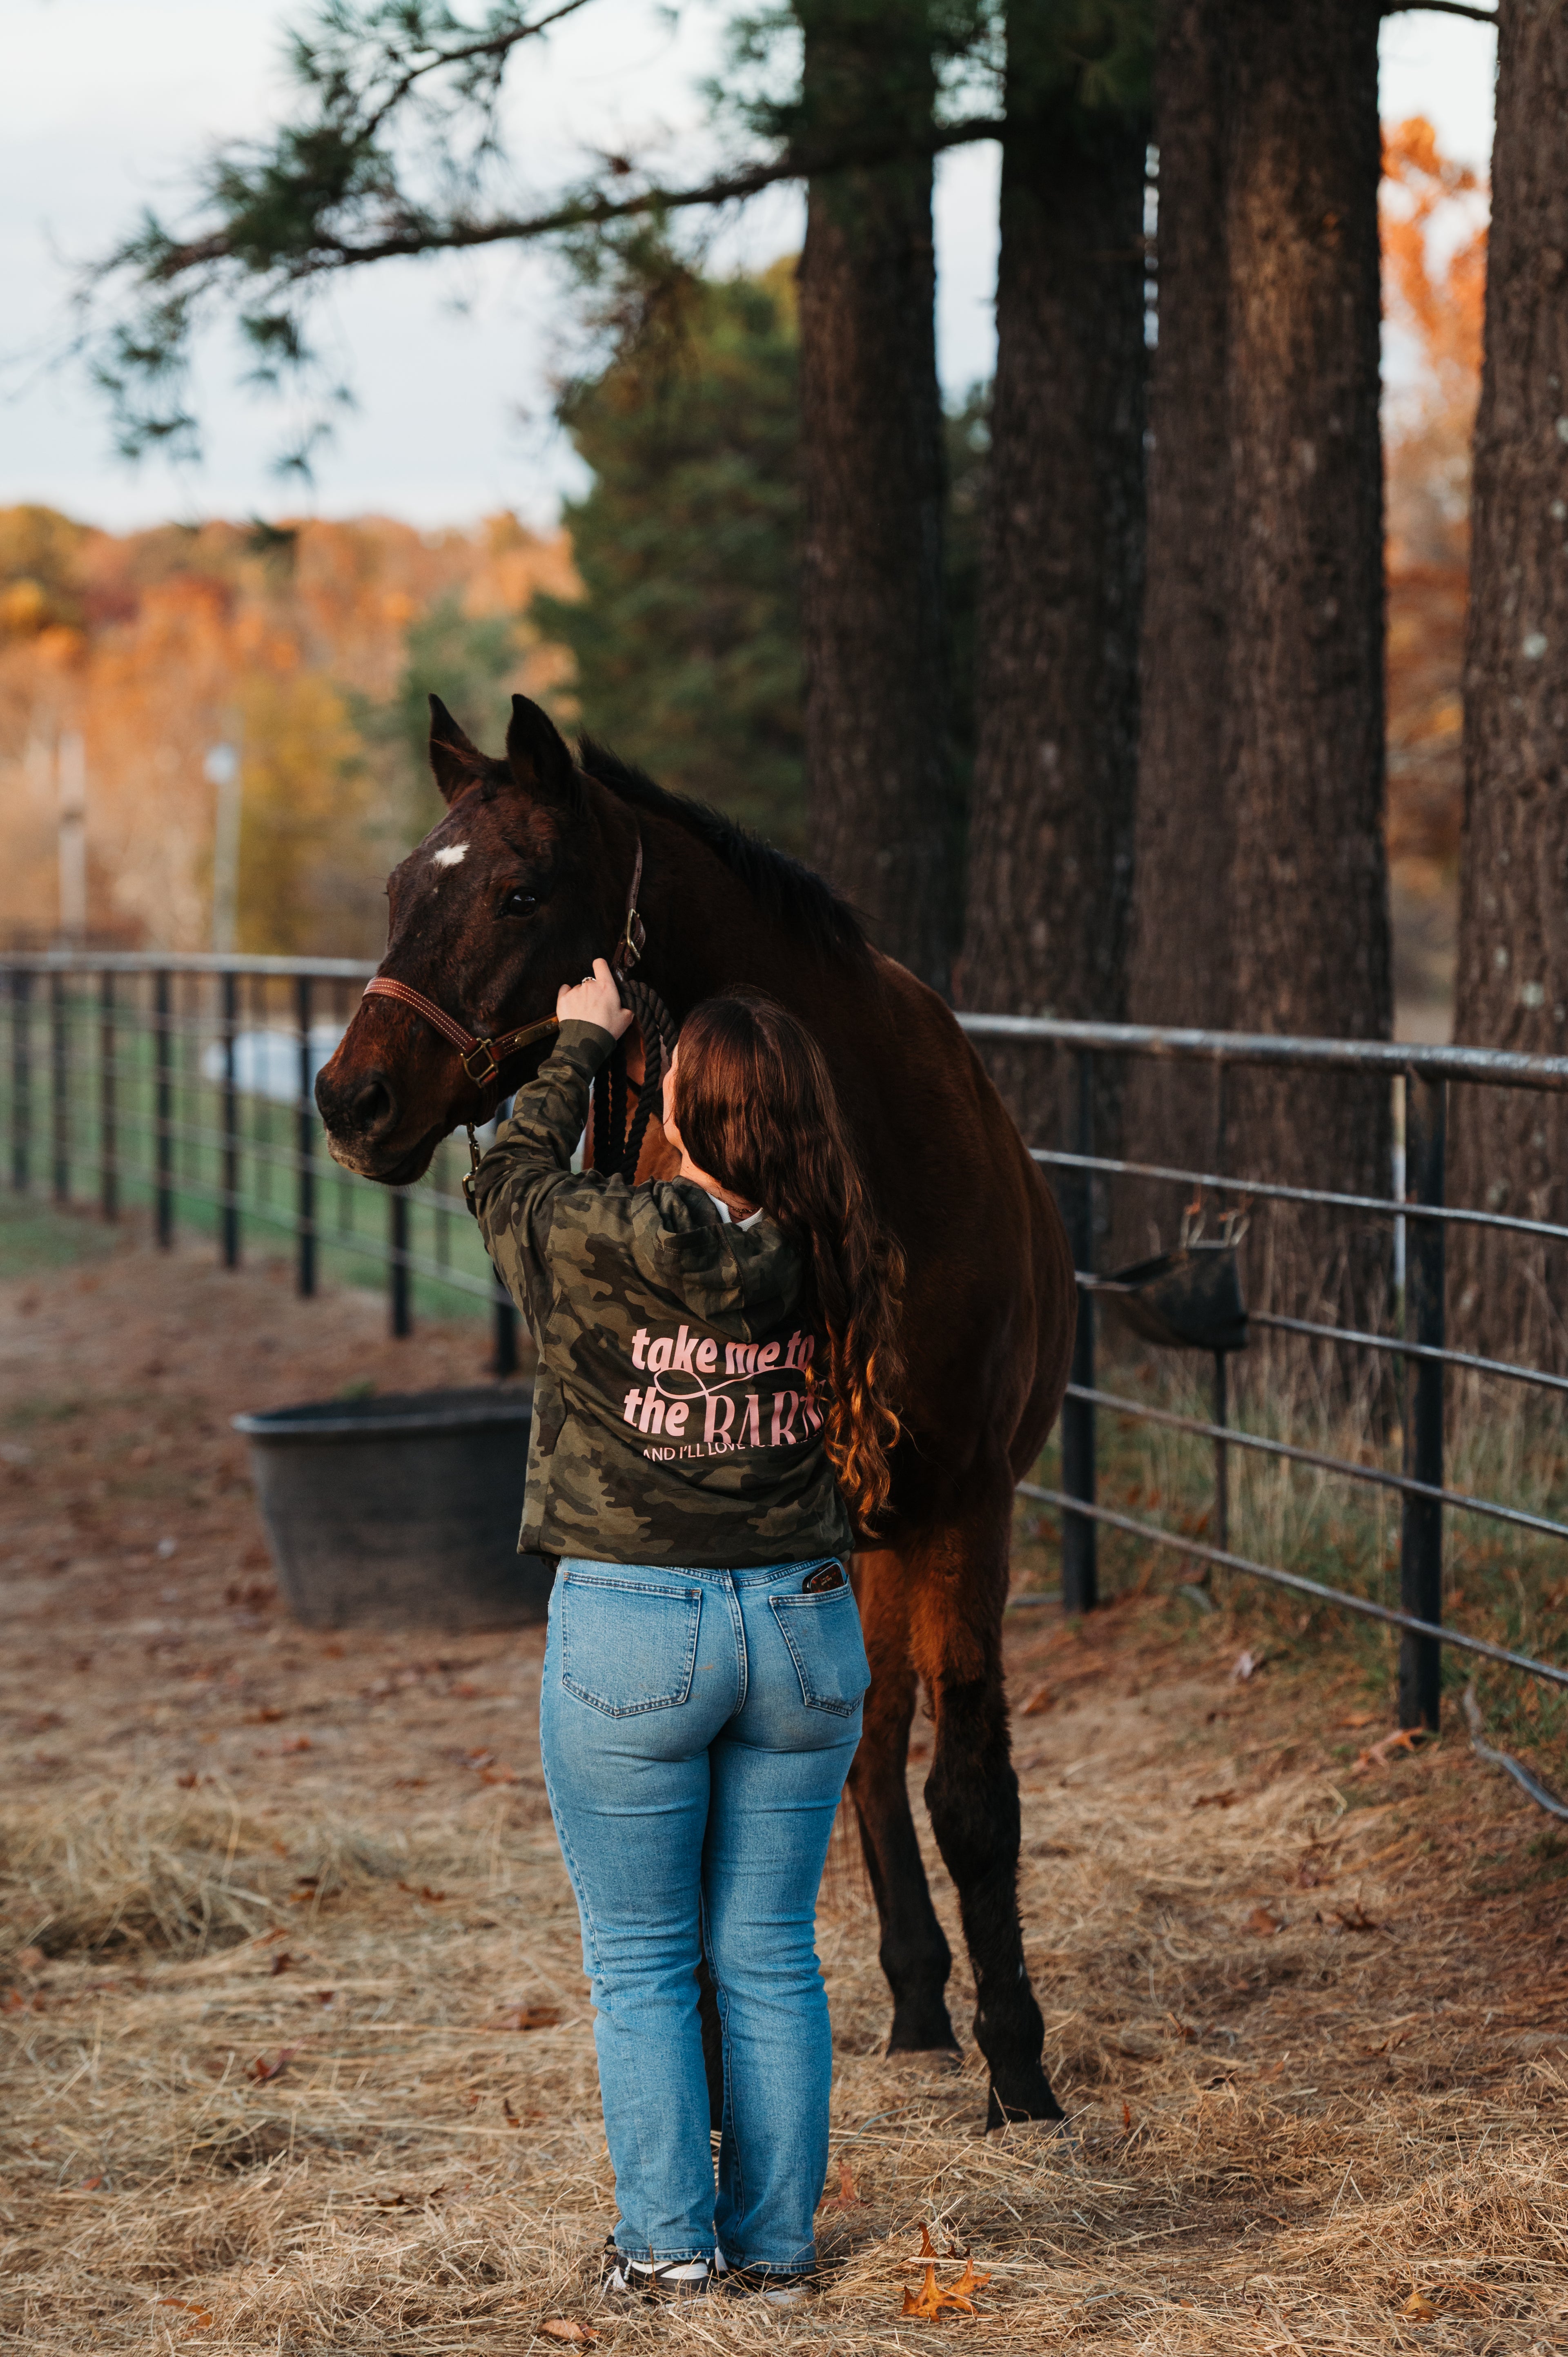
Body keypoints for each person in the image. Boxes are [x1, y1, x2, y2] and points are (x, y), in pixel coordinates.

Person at [472, 960, 904, 2307]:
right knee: (771, 1948)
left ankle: (667, 2249)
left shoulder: (604, 1240)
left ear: (684, 1105)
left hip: (634, 1630)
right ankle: (774, 2254)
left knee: (645, 1961)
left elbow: (503, 1184)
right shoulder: (842, 1243)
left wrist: (577, 1046)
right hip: (803, 1628)